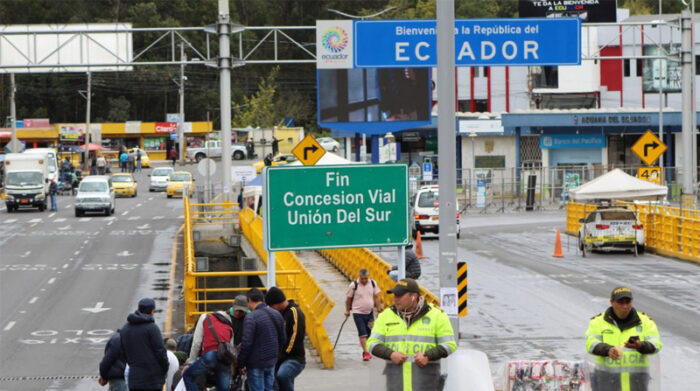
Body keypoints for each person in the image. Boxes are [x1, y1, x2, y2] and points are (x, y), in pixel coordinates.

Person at [367, 278, 457, 391]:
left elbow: (449, 344)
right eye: (395, 295)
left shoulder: (437, 316)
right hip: (396, 383)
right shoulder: (385, 316)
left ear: (414, 296)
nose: (395, 299)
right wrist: (391, 354)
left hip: (426, 383)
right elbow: (371, 344)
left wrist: (428, 356)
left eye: (400, 295)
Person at [585, 286, 662, 391]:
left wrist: (641, 345)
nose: (625, 306)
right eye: (621, 302)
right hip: (607, 381)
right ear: (612, 302)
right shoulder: (597, 322)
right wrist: (608, 350)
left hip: (637, 382)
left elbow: (656, 344)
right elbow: (591, 344)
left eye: (628, 302)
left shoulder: (646, 322)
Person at [238, 288, 286, 391]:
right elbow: (283, 338)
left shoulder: (251, 317)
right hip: (271, 361)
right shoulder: (277, 314)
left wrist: (241, 363)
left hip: (256, 363)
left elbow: (246, 343)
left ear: (249, 300)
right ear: (262, 299)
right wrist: (275, 355)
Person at [120, 298, 169, 391]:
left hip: (134, 378)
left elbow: (123, 353)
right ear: (152, 311)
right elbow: (161, 352)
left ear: (138, 308)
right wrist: (164, 369)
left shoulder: (125, 329)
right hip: (153, 379)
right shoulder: (152, 328)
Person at [265, 287, 306, 391]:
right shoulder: (279, 313)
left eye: (271, 306)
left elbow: (295, 338)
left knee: (283, 375)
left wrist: (281, 356)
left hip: (294, 358)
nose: (270, 308)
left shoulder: (295, 312)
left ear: (277, 303)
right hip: (281, 357)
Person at [183, 309, 235, 391]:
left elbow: (197, 342)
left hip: (210, 355)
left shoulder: (205, 317)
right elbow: (231, 348)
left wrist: (191, 361)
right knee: (223, 389)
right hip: (225, 358)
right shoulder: (228, 323)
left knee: (188, 376)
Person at [345, 268, 383, 361]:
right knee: (362, 333)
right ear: (359, 277)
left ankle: (368, 349)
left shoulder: (373, 283)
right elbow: (348, 299)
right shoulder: (354, 285)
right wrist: (347, 311)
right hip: (358, 313)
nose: (364, 280)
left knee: (371, 332)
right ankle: (366, 353)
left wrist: (379, 309)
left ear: (368, 277)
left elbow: (377, 297)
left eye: (366, 278)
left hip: (369, 313)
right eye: (362, 278)